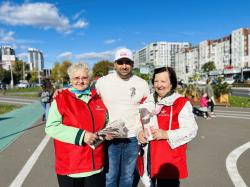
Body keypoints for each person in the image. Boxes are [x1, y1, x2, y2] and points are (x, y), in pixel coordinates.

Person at [45, 62, 110, 187]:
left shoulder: (97, 98)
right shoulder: (61, 98)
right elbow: (51, 127)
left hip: (95, 165)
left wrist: (109, 132)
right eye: (76, 78)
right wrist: (82, 135)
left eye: (84, 78)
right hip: (71, 167)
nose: (80, 81)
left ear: (89, 79)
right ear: (70, 79)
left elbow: (106, 121)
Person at [95, 48, 150, 187]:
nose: (124, 66)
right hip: (110, 137)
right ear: (114, 64)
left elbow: (146, 112)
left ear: (132, 64)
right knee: (110, 176)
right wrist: (62, 91)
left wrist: (143, 131)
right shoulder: (102, 82)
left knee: (127, 176)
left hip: (132, 137)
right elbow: (86, 98)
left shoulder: (142, 84)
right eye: (120, 62)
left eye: (128, 62)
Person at [138, 67, 198, 187]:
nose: (159, 85)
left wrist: (166, 134)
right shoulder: (146, 101)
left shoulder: (180, 102)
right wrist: (140, 133)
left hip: (168, 160)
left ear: (172, 83)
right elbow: (139, 124)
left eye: (163, 81)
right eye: (156, 81)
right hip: (149, 157)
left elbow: (192, 130)